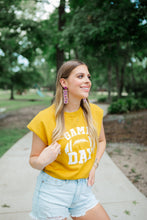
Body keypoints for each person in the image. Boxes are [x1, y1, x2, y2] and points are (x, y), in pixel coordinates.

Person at [27, 60, 110, 220]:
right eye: (80, 76)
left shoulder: (94, 112)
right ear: (64, 82)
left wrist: (94, 164)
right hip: (53, 192)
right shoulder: (44, 118)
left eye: (88, 76)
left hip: (83, 190)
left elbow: (101, 141)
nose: (87, 81)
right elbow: (33, 160)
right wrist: (43, 160)